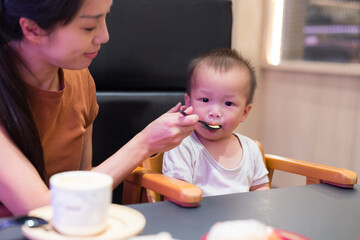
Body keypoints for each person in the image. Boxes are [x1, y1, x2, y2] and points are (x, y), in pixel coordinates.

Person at [0, 0, 198, 217]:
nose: (105, 36)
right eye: (89, 26)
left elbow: (84, 179)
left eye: (105, 18)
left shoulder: (80, 79)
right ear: (32, 29)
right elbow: (41, 209)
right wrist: (145, 143)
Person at [162, 48, 270, 197]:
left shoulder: (251, 149)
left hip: (241, 219)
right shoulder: (182, 145)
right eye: (205, 100)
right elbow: (177, 193)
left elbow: (261, 188)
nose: (215, 112)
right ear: (188, 102)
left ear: (244, 113)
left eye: (228, 103)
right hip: (196, 217)